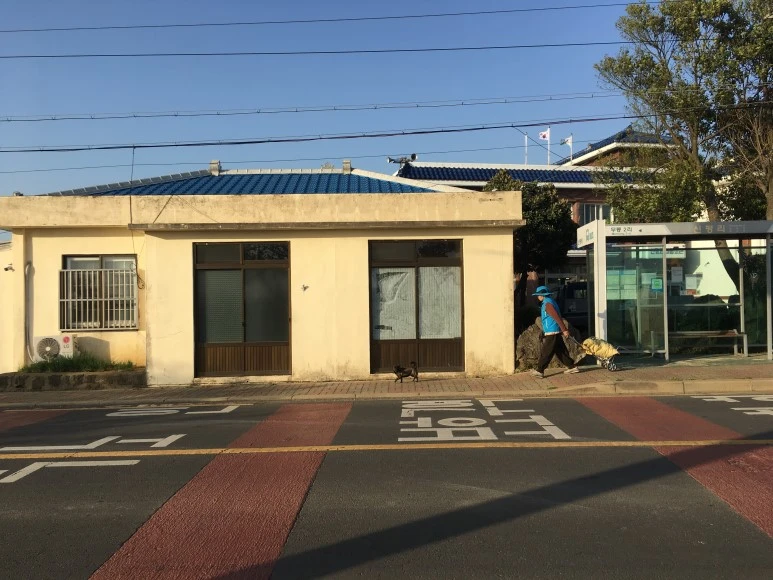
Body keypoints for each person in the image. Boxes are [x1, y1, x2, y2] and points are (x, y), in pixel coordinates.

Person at [529, 285, 580, 378]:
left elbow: (557, 317)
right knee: (560, 351)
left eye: (538, 295)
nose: (537, 297)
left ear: (543, 295)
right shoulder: (550, 302)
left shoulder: (547, 304)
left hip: (552, 331)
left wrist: (564, 330)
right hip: (553, 330)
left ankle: (540, 370)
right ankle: (572, 366)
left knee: (546, 351)